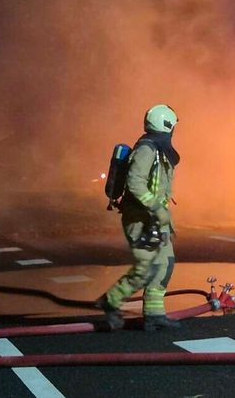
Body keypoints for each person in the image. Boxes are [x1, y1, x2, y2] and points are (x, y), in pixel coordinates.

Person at [97, 104, 182, 331]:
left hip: (153, 217)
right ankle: (111, 301)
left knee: (164, 263)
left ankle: (154, 314)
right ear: (167, 125)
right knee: (147, 267)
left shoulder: (158, 149)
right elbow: (135, 182)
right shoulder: (146, 150)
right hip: (139, 217)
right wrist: (156, 207)